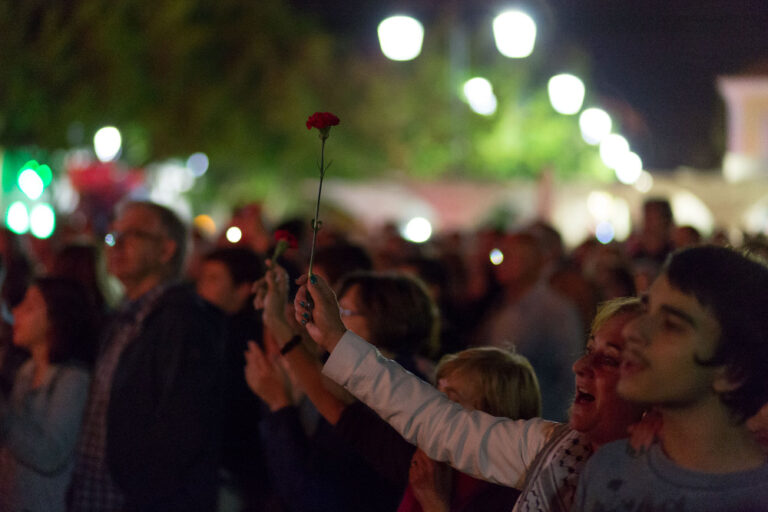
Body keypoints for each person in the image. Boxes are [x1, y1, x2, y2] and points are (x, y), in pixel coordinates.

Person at [293, 271, 645, 512]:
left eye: (609, 359)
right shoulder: (552, 448)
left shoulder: (674, 485)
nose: (580, 367)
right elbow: (437, 422)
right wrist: (335, 336)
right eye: (588, 348)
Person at [573, 246, 768, 511]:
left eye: (671, 325)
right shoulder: (608, 470)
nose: (632, 330)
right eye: (647, 310)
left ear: (733, 371)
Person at [69, 201, 226, 512]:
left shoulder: (183, 321)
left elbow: (182, 429)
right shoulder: (123, 317)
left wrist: (143, 490)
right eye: (113, 235)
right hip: (98, 494)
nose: (116, 244)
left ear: (166, 251)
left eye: (133, 235)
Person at [0, 278, 97, 512]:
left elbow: (50, 454)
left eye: (30, 306)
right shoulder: (27, 371)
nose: (17, 311)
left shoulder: (73, 381)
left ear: (57, 319)